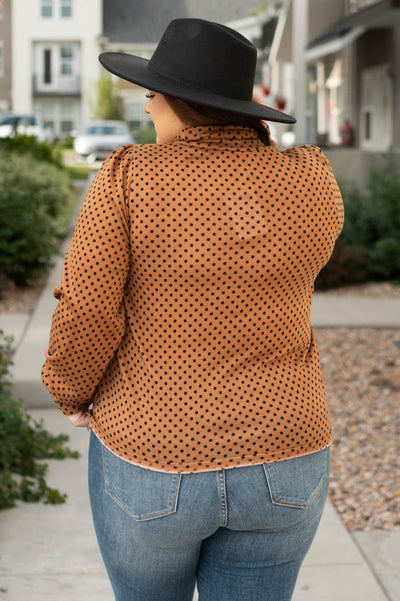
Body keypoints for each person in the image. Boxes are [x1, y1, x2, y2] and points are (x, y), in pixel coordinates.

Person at [42, 18, 344, 601]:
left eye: (152, 95)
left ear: (181, 102)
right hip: (288, 451)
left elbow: (89, 310)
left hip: (154, 449)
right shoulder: (310, 177)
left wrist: (71, 392)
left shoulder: (130, 178)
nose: (147, 108)